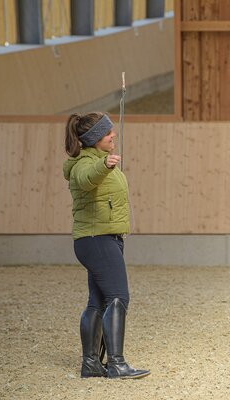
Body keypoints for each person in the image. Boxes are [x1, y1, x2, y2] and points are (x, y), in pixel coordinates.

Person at [63, 112, 150, 379]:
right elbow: (86, 179)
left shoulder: (98, 160)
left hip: (103, 238)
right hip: (97, 240)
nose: (114, 135)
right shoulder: (84, 164)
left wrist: (106, 164)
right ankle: (117, 364)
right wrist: (106, 166)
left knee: (98, 302)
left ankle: (91, 364)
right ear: (94, 138)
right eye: (108, 132)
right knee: (118, 297)